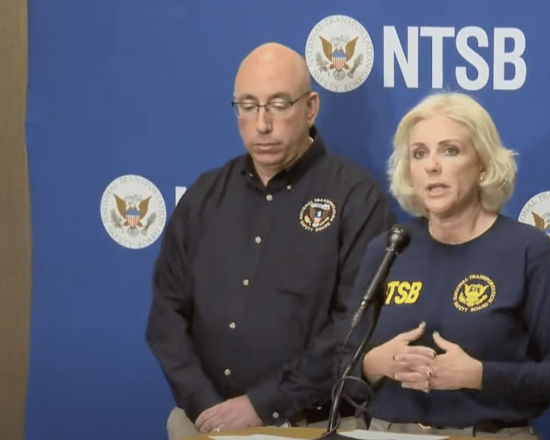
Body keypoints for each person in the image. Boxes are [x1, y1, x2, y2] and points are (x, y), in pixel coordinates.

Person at [144, 42, 395, 439]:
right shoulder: (204, 197)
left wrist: (262, 404)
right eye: (248, 106)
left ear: (310, 108)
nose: (262, 124)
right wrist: (204, 406)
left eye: (278, 105)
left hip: (311, 425)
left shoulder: (356, 199)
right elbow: (166, 315)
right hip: (202, 422)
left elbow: (354, 327)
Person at [339, 92, 550, 439]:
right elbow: (342, 367)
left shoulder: (530, 252)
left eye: (450, 150)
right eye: (419, 153)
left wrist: (479, 375)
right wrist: (373, 365)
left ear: (483, 165)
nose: (432, 166)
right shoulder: (389, 248)